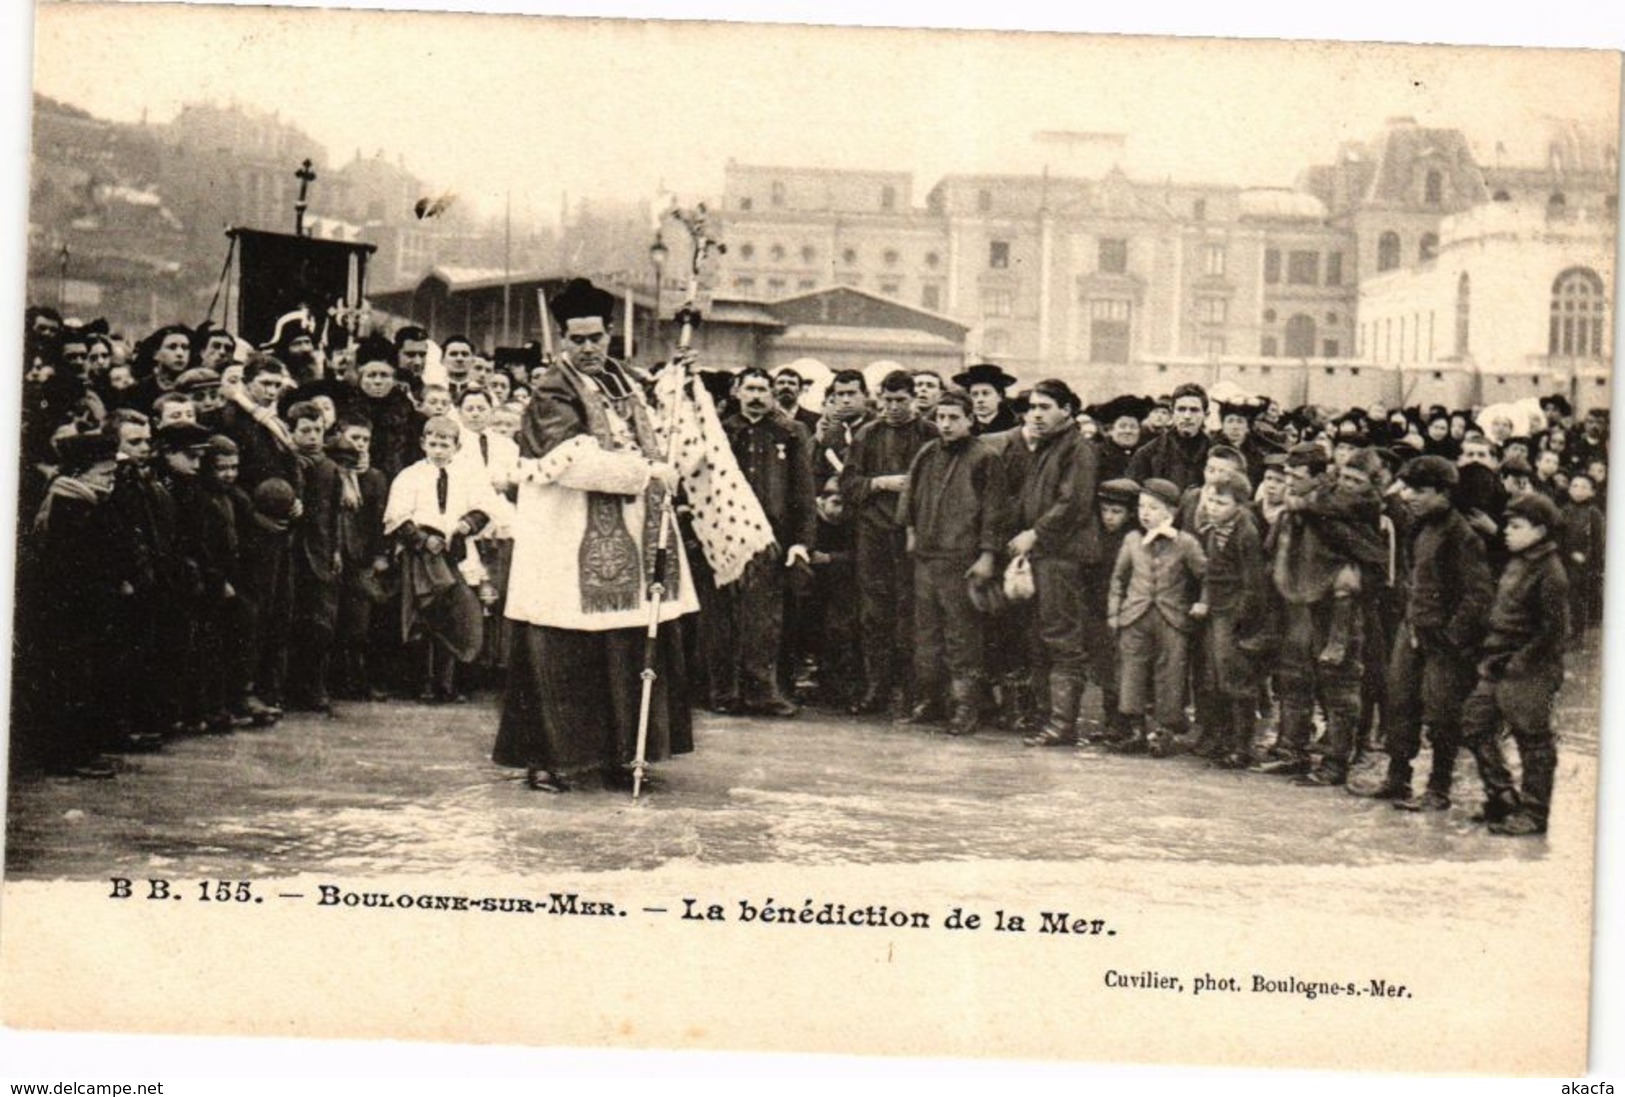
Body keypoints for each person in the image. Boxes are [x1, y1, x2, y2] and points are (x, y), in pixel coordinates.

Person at [493, 278, 699, 794]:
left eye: (595, 338)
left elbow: (665, 440)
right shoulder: (551, 390)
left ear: (610, 334)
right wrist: (647, 473)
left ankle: (620, 754)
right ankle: (549, 759)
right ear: (561, 339)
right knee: (560, 651)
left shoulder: (625, 382)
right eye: (576, 340)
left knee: (624, 648)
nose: (587, 349)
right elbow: (574, 464)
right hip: (565, 541)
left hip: (630, 539)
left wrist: (679, 397)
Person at [1354, 456, 1494, 809]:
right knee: (1400, 702)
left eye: (1420, 490)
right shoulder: (1419, 525)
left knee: (1442, 712)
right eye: (1407, 488)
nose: (1410, 496)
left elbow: (1479, 595)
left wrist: (1452, 638)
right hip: (1413, 629)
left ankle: (1438, 789)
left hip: (1442, 640)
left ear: (1444, 493)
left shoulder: (1462, 534)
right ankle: (1397, 779)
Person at [1459, 492, 1570, 837]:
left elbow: (1555, 631)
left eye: (1516, 526)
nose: (1506, 531)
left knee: (1533, 740)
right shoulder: (1519, 559)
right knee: (1474, 725)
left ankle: (1534, 814)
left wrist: (1519, 662)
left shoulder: (1550, 571)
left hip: (1528, 669)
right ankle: (1502, 795)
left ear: (1540, 530)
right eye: (1507, 524)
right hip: (1498, 661)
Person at [710, 368, 816, 717]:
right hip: (726, 536)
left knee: (765, 619)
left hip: (772, 537)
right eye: (749, 389)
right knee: (725, 617)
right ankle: (725, 693)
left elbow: (803, 491)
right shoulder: (722, 432)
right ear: (737, 392)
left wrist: (801, 541)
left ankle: (762, 692)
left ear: (771, 393)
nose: (756, 396)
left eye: (762, 389)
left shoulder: (790, 432)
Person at [899, 390, 1006, 735]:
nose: (945, 424)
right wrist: (911, 532)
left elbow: (994, 511)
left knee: (962, 636)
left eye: (953, 418)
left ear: (970, 420)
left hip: (961, 561)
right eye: (941, 417)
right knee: (927, 634)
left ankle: (965, 707)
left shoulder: (985, 458)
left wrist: (988, 555)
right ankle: (932, 699)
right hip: (927, 560)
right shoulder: (928, 453)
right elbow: (910, 496)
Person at [1009, 379, 1102, 748]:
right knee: (1041, 637)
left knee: (1061, 639)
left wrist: (1035, 533)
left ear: (1067, 410)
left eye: (1044, 407)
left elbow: (1073, 504)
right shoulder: (1047, 448)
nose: (1035, 413)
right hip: (1044, 556)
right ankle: (1048, 718)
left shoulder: (1077, 449)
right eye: (1032, 407)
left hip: (1063, 558)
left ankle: (1061, 725)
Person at [841, 369, 938, 716]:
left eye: (901, 400)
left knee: (913, 613)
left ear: (914, 400)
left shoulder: (930, 434)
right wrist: (881, 483)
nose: (894, 407)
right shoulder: (868, 435)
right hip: (874, 535)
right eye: (888, 400)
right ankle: (877, 688)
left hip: (915, 536)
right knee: (874, 614)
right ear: (879, 399)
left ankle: (915, 693)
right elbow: (848, 484)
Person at [385, 415, 499, 705]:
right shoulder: (410, 476)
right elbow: (397, 516)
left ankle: (449, 683)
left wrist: (466, 525)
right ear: (423, 443)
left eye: (444, 444)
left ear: (456, 447)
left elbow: (484, 508)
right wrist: (422, 539)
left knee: (456, 615)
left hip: (456, 554)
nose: (438, 450)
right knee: (425, 615)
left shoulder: (469, 475)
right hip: (422, 557)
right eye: (433, 444)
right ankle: (424, 682)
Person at [1106, 478, 1207, 757]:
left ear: (1170, 513)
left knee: (1171, 673)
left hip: (1171, 618)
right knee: (1131, 671)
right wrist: (1114, 613)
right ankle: (1135, 729)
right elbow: (1118, 578)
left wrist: (1202, 602)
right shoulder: (1132, 540)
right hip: (1135, 615)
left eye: (1153, 507)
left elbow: (1206, 575)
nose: (1145, 513)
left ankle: (1165, 731)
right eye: (1141, 507)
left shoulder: (1185, 543)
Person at [1191, 469, 1267, 767]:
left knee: (1236, 677)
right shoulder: (1213, 530)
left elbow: (1253, 582)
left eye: (1221, 503)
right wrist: (1206, 601)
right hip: (1217, 611)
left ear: (1239, 505)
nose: (1212, 508)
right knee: (1216, 675)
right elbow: (1211, 574)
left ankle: (1242, 746)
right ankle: (1223, 739)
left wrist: (1241, 618)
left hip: (1233, 613)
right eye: (1209, 501)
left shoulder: (1245, 532)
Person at [1126, 382, 1211, 491]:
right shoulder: (1148, 453)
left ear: (1206, 415)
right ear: (1172, 413)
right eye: (1181, 409)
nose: (1187, 416)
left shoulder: (1215, 453)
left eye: (1194, 410)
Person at [953, 363, 1019, 436]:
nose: (980, 400)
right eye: (974, 394)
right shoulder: (963, 427)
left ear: (999, 396)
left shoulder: (1014, 427)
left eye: (986, 393)